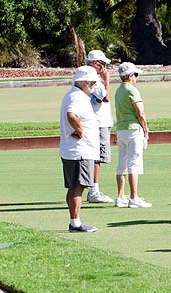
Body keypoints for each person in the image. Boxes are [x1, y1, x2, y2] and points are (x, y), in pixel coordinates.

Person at [59, 66, 100, 232]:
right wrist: (80, 130)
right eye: (91, 82)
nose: (93, 85)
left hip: (76, 150)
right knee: (78, 186)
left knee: (75, 186)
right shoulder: (76, 97)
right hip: (79, 151)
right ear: (83, 81)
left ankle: (74, 221)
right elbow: (71, 115)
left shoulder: (76, 95)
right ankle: (75, 223)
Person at [114, 62, 151, 208]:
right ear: (130, 76)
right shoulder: (132, 90)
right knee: (134, 164)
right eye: (135, 75)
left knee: (122, 164)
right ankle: (134, 198)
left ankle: (120, 197)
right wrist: (146, 129)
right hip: (133, 130)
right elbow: (140, 113)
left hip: (121, 130)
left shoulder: (119, 90)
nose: (136, 77)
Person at [85, 50, 114, 204]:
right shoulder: (93, 79)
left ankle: (92, 189)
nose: (104, 68)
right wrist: (106, 79)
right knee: (97, 157)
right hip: (98, 123)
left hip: (98, 121)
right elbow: (106, 97)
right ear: (95, 64)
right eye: (102, 64)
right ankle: (94, 191)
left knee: (96, 157)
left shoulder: (89, 78)